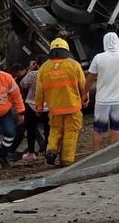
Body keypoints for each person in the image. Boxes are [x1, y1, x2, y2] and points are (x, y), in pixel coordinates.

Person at [37, 38, 87, 166]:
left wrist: (39, 106)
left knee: (55, 130)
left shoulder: (44, 67)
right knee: (71, 132)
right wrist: (85, 98)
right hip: (73, 106)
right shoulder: (74, 64)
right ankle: (66, 160)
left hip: (54, 108)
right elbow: (83, 85)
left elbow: (39, 90)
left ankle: (51, 150)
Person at [86, 32, 119, 152]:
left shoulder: (98, 58)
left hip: (102, 100)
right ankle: (112, 154)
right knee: (116, 128)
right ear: (118, 42)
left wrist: (85, 93)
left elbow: (90, 78)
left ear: (104, 42)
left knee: (98, 129)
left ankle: (96, 155)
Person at [16, 56, 48, 161]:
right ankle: (48, 150)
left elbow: (22, 84)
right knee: (48, 128)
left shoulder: (33, 75)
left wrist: (31, 69)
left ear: (38, 64)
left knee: (31, 129)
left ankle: (31, 153)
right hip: (48, 105)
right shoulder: (51, 74)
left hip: (32, 104)